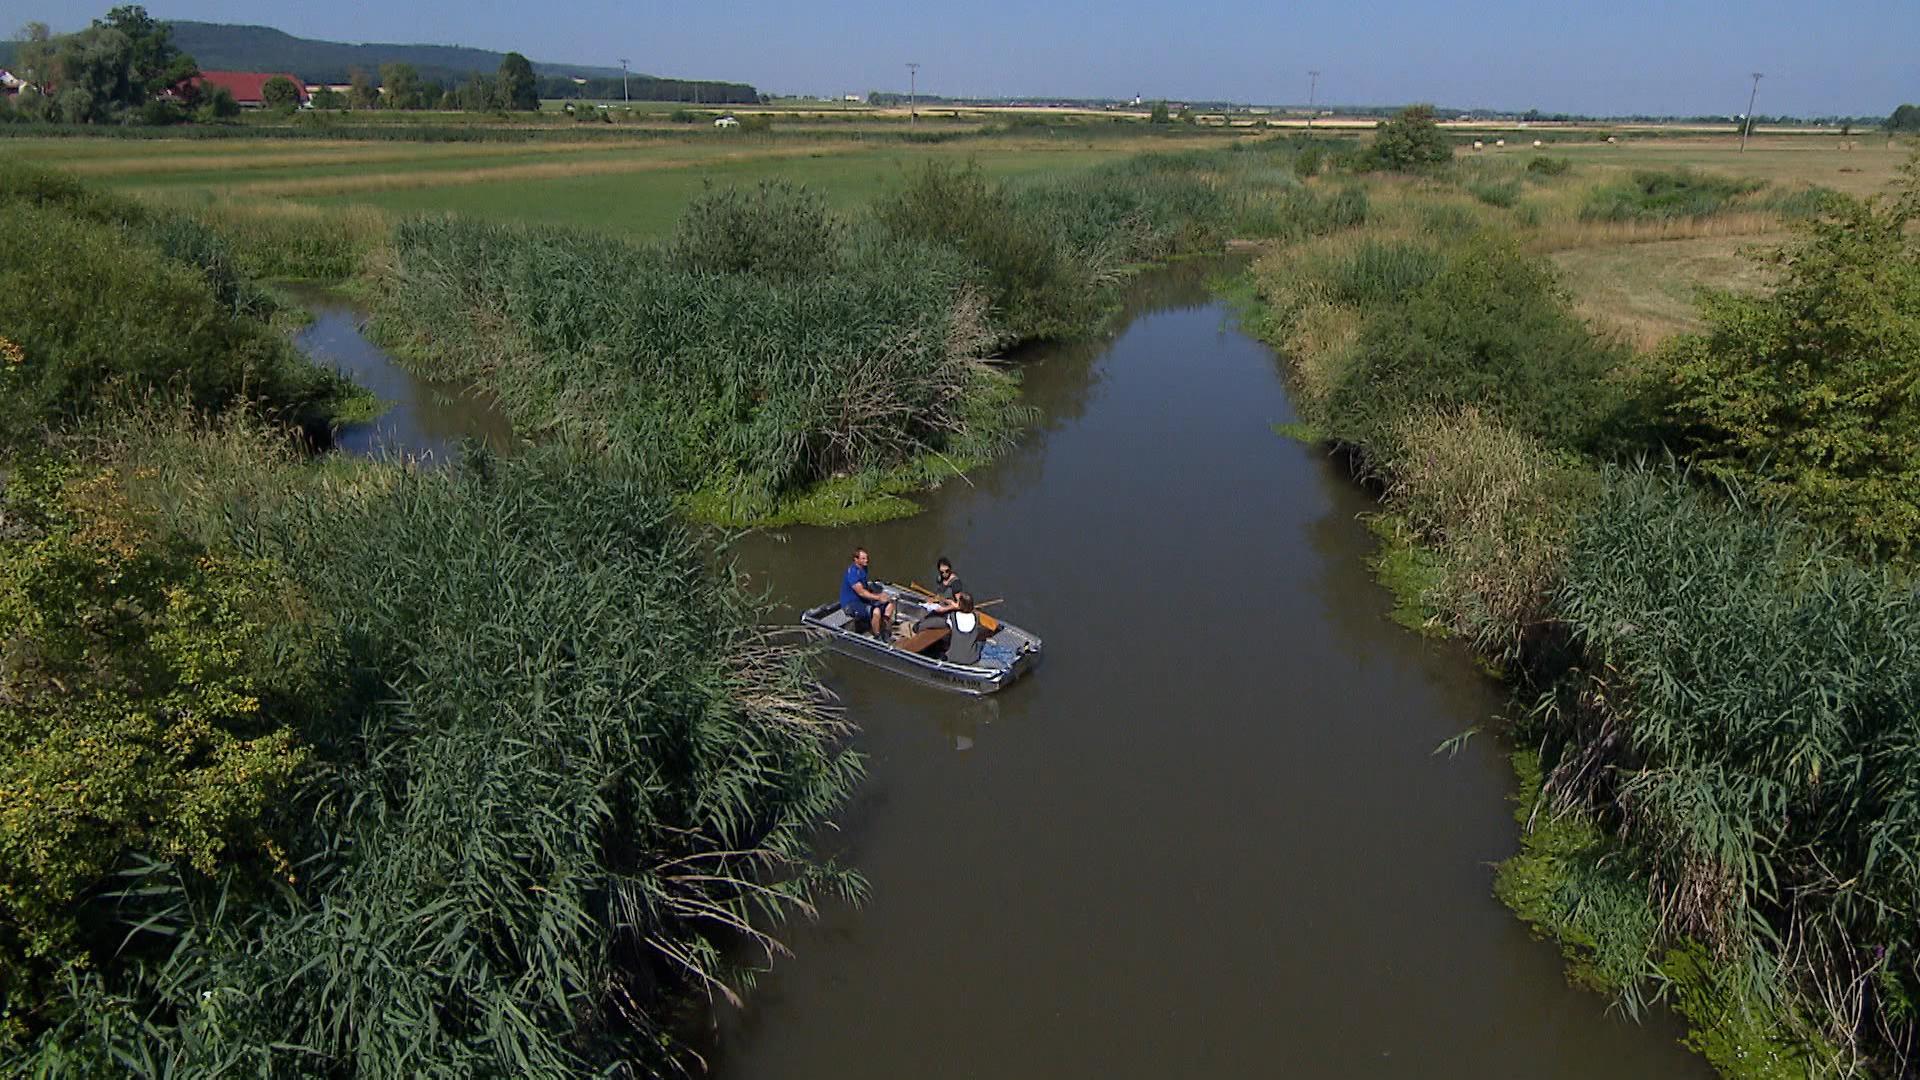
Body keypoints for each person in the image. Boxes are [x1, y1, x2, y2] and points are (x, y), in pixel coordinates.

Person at [840, 547, 896, 639]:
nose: (866, 560)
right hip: (850, 604)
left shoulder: (864, 568)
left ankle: (884, 628)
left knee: (889, 606)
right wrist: (878, 597)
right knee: (876, 611)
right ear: (856, 559)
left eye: (866, 558)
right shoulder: (852, 573)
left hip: (863, 600)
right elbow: (861, 592)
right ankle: (877, 636)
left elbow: (865, 586)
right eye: (863, 558)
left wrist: (878, 594)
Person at [915, 556, 967, 630]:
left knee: (923, 625)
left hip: (948, 615)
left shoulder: (955, 584)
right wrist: (932, 600)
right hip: (938, 608)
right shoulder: (940, 579)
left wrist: (944, 609)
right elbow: (939, 595)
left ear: (950, 569)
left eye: (947, 571)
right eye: (942, 572)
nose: (945, 574)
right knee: (922, 614)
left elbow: (959, 605)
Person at [944, 592, 983, 666]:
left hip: (953, 658)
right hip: (971, 659)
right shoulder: (976, 617)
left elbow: (947, 627)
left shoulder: (952, 616)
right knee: (981, 639)